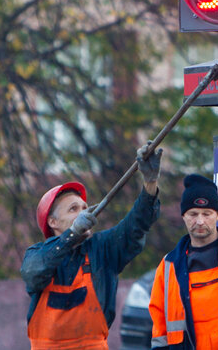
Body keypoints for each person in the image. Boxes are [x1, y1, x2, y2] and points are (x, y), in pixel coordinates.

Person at [21, 143, 163, 350]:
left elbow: (136, 225)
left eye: (85, 208)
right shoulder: (37, 255)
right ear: (53, 222)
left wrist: (150, 184)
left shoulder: (102, 249)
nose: (84, 213)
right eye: (73, 209)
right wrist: (71, 235)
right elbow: (34, 272)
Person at [149, 174, 218, 350]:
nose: (200, 221)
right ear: (183, 216)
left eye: (207, 214)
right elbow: (159, 326)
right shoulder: (169, 265)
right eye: (193, 214)